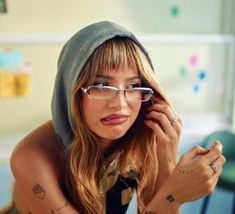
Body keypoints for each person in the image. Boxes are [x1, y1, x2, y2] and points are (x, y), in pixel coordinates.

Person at [8, 21, 225, 214]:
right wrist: (173, 194)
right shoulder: (30, 157)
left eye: (133, 86)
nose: (120, 104)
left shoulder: (140, 134)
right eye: (102, 85)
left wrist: (167, 157)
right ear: (71, 91)